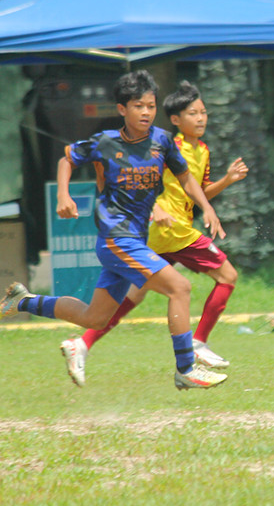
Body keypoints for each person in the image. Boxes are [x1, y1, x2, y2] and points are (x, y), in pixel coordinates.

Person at [0, 70, 228, 390]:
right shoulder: (105, 143)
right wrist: (63, 196)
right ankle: (186, 368)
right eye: (138, 106)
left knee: (95, 318)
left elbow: (186, 177)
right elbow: (67, 159)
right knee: (180, 288)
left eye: (151, 105)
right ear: (122, 109)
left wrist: (207, 206)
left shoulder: (162, 141)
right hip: (116, 238)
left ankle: (23, 301)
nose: (146, 112)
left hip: (134, 238)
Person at [57, 81, 249, 387]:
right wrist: (157, 210)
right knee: (215, 279)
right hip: (165, 233)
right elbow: (144, 182)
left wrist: (218, 192)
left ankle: (71, 335)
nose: (201, 118)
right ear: (175, 119)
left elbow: (190, 186)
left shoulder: (193, 149)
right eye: (193, 113)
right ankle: (192, 354)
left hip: (150, 236)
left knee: (117, 304)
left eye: (204, 112)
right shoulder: (161, 144)